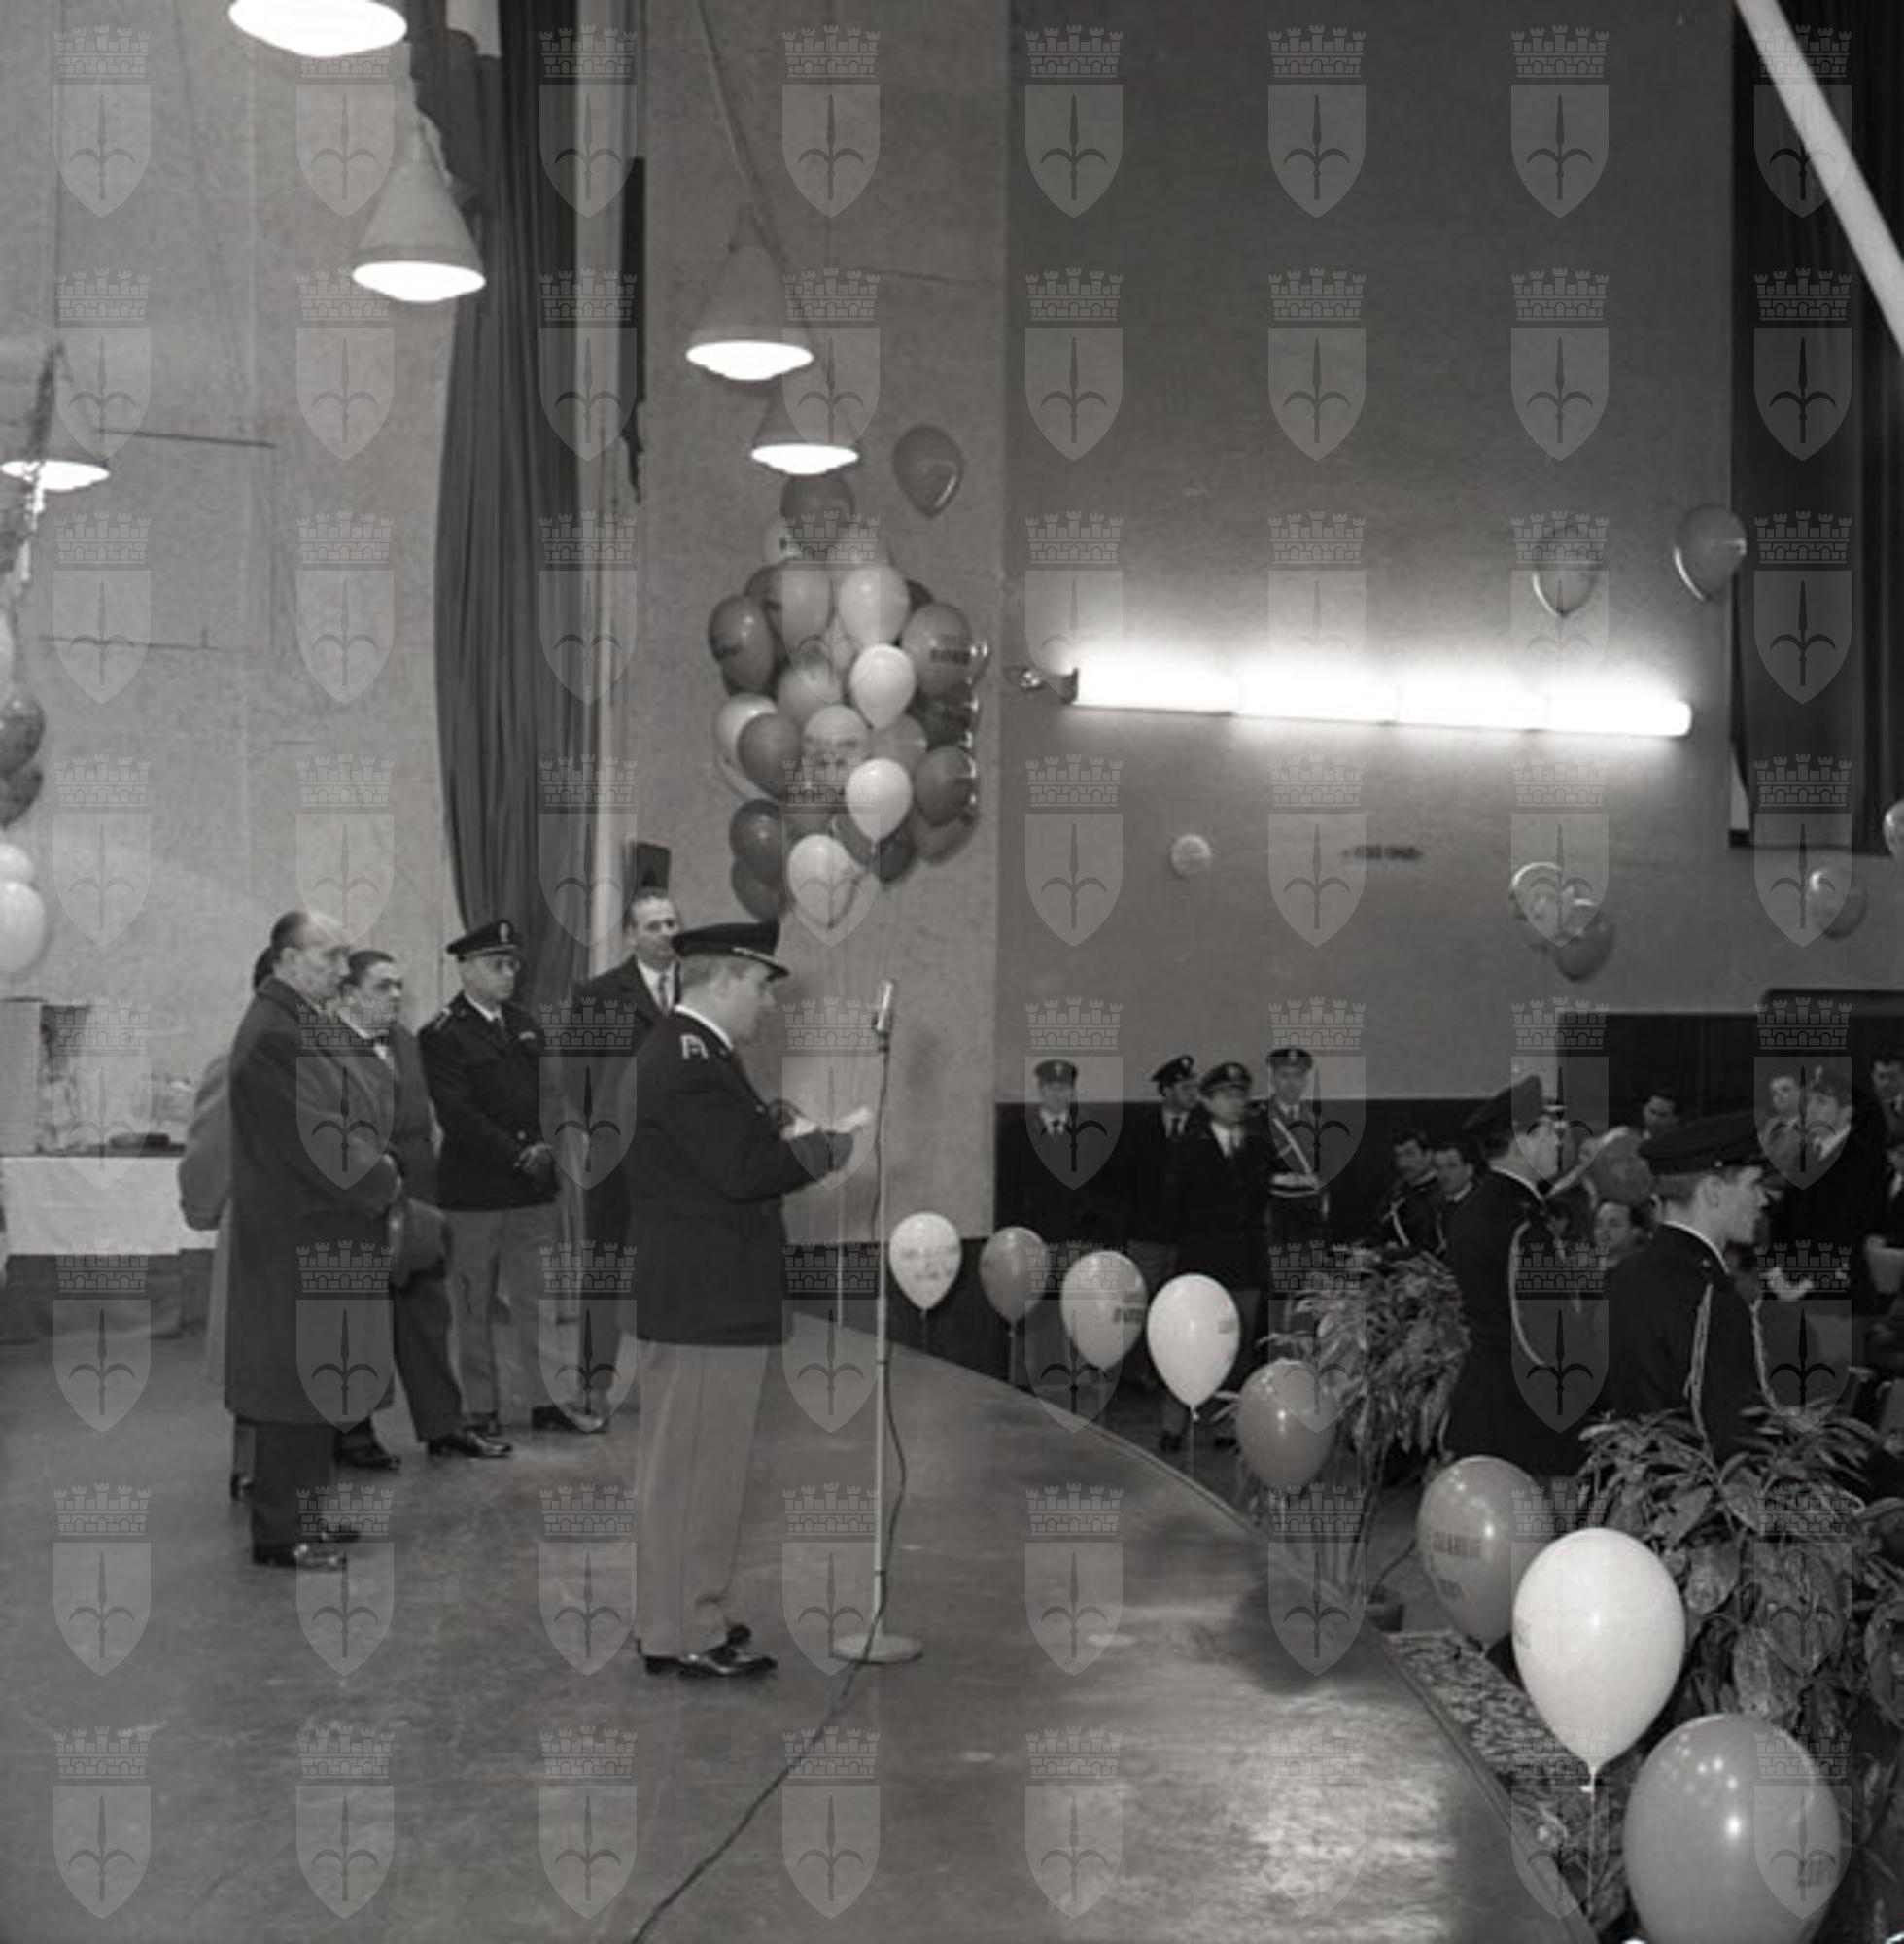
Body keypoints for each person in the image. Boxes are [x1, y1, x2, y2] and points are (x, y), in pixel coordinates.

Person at [623, 920, 856, 1680]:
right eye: (760, 985)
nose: (767, 1002)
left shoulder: (692, 1053)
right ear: (722, 980)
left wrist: (782, 1131)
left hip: (701, 1292)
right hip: (707, 1297)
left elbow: (725, 1153)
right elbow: (741, 1171)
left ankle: (674, 1613)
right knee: (698, 1473)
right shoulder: (689, 1060)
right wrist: (826, 1148)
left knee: (686, 1469)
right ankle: (685, 1629)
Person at [226, 911, 399, 1570]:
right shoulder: (276, 1035)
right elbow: (317, 1140)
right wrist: (384, 1177)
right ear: (287, 959)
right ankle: (281, 1531)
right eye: (328, 956)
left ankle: (306, 1514)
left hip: (318, 1228)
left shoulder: (298, 1023)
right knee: (291, 1386)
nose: (340, 969)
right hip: (298, 1234)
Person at [421, 918, 604, 1437]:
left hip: (531, 1189)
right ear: (466, 969)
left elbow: (550, 1096)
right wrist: (519, 1154)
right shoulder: (441, 1035)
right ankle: (481, 1407)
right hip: (474, 1190)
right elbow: (458, 1114)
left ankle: (548, 1402)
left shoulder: (526, 1025)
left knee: (537, 1301)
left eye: (512, 965)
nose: (509, 974)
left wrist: (547, 1147)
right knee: (473, 1304)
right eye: (497, 965)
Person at [335, 950, 509, 1461]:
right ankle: (353, 1431)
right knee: (359, 1321)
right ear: (348, 995)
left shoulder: (407, 1044)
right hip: (360, 1200)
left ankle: (443, 1424)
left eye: (399, 986)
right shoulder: (325, 1050)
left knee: (427, 1315)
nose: (395, 996)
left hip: (417, 1202)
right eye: (382, 987)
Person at [569, 886, 682, 1415]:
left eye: (672, 923)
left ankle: (668, 1378)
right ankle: (594, 1381)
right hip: (617, 1156)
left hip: (680, 1158)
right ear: (631, 935)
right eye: (654, 925)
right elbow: (577, 1077)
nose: (667, 933)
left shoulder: (697, 989)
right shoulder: (599, 994)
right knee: (606, 1267)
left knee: (671, 1265)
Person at [1606, 1112, 1773, 1458]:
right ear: (1713, 1191)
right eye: (1753, 1185)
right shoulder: (1710, 1294)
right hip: (1697, 1483)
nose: (1763, 1200)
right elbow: (1734, 1434)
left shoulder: (1625, 1274)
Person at [1442, 1076, 1585, 1477]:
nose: (1558, 1143)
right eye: (1550, 1133)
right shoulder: (1522, 1222)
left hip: (1483, 1403)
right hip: (1525, 1415)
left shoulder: (1473, 1208)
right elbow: (1550, 1330)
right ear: (1525, 1140)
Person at [179, 948, 275, 1503]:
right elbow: (211, 1150)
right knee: (256, 1354)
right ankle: (252, 1464)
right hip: (259, 1231)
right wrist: (203, 1207)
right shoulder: (238, 1058)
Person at [994, 1056, 1117, 1391]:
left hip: (1077, 1235)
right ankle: (1029, 1376)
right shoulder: (1018, 1133)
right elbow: (1008, 1188)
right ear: (1040, 1089)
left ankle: (1077, 1374)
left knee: (1077, 1305)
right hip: (1033, 1235)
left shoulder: (1091, 1133)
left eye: (1064, 1087)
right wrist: (1011, 1236)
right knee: (1034, 1307)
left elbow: (1104, 1189)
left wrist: (1098, 1233)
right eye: (1051, 1087)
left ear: (1072, 1091)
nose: (1058, 1094)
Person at [1166, 1061, 1269, 1452]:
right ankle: (1174, 1421)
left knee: (1237, 1344)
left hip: (1244, 1260)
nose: (1236, 1102)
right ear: (1207, 1102)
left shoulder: (1259, 1144)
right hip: (1201, 1258)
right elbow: (1175, 1203)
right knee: (1189, 1340)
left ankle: (1226, 1424)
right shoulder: (1190, 1146)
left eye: (1241, 1094)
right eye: (1226, 1095)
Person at [1118, 1053, 1198, 1406]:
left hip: (1188, 1235)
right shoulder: (1139, 1127)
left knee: (1180, 1306)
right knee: (1141, 1303)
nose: (1192, 1093)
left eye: (1194, 1086)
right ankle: (1139, 1371)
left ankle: (1176, 1371)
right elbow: (1126, 1181)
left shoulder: (1204, 1128)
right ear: (1166, 1091)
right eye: (1184, 1087)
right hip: (1147, 1233)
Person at [1370, 1127, 1442, 1261]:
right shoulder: (1396, 1192)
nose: (1403, 1163)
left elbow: (1430, 1247)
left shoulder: (1444, 1191)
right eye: (1398, 1156)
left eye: (1410, 1154)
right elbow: (1378, 1231)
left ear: (1428, 1155)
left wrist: (1384, 1254)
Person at [1431, 1138, 1478, 1225]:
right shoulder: (1433, 1206)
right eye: (1439, 1168)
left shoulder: (1483, 1203)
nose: (1444, 1174)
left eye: (1452, 1166)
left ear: (1469, 1170)